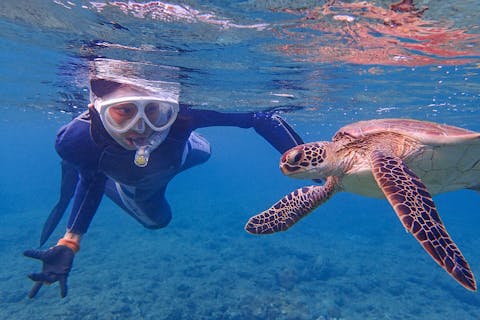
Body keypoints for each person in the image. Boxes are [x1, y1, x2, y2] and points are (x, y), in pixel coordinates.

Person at [23, 59, 304, 298]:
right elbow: (91, 183)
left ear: (172, 107)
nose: (141, 129)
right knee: (157, 221)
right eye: (124, 111)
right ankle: (112, 181)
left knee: (205, 151)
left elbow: (258, 116)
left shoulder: (183, 116)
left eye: (155, 111)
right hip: (140, 182)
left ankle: (110, 162)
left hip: (179, 154)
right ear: (97, 109)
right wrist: (70, 241)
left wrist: (314, 162)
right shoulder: (77, 142)